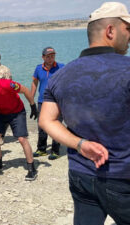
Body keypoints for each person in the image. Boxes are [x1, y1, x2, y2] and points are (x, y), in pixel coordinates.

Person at [39, 2, 130, 224]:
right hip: (123, 178)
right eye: (128, 29)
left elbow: (46, 120)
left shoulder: (60, 75)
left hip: (81, 174)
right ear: (110, 31)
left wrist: (80, 144)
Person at [30, 47, 64, 160]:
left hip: (57, 101)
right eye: (48, 56)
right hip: (42, 101)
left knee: (57, 125)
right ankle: (41, 149)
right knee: (42, 125)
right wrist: (31, 99)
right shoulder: (38, 69)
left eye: (52, 56)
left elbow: (68, 81)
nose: (50, 58)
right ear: (43, 57)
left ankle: (55, 150)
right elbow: (34, 83)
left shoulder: (61, 67)